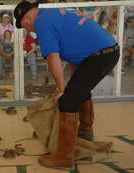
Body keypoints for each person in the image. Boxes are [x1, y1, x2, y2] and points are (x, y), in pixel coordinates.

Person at [14, 1, 119, 169]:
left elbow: (53, 57)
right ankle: (85, 133)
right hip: (105, 51)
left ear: (28, 18)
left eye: (24, 26)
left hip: (99, 56)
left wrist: (62, 90)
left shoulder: (42, 23)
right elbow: (72, 55)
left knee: (67, 101)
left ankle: (64, 158)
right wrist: (69, 86)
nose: (28, 30)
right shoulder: (54, 14)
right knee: (77, 92)